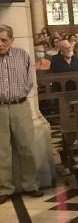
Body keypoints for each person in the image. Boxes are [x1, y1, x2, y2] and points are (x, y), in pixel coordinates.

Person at [0, 25, 40, 203]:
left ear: (11, 40)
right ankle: (4, 189)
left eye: (4, 40)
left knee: (27, 147)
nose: (0, 44)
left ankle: (30, 185)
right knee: (2, 151)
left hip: (20, 106)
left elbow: (29, 80)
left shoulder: (21, 55)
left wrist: (18, 94)